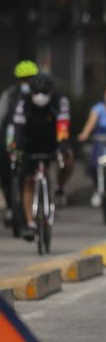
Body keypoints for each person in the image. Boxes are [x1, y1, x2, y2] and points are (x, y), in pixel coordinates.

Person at [9, 73, 71, 240]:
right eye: (37, 92)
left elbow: (63, 125)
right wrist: (16, 148)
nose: (40, 96)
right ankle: (30, 222)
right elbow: (18, 127)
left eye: (44, 92)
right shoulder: (24, 102)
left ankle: (59, 189)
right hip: (30, 145)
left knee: (67, 160)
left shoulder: (60, 102)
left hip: (52, 142)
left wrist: (62, 146)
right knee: (27, 179)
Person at [1, 60, 39, 225]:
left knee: (32, 174)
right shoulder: (9, 95)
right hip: (11, 136)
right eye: (24, 79)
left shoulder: (40, 96)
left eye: (30, 78)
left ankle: (39, 206)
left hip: (31, 140)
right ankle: (11, 207)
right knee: (6, 173)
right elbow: (1, 116)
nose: (27, 83)